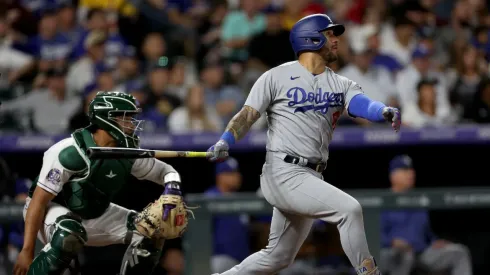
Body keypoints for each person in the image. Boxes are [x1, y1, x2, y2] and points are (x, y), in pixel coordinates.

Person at [207, 14, 401, 275]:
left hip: (311, 175)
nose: (335, 40)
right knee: (349, 209)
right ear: (311, 37)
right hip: (283, 170)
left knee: (277, 258)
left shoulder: (341, 83)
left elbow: (361, 104)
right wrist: (225, 139)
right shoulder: (276, 76)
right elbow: (247, 115)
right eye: (330, 34)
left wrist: (383, 111)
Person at [13, 91, 188, 275]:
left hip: (94, 212)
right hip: (52, 211)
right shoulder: (69, 152)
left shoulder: (126, 152)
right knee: (69, 234)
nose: (132, 124)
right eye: (125, 118)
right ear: (107, 119)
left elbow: (166, 171)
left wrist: (172, 189)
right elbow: (38, 202)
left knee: (152, 230)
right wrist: (27, 250)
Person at [380, 155, 472, 275]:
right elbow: (374, 234)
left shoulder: (419, 200)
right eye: (405, 170)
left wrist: (435, 241)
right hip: (394, 253)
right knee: (405, 256)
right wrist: (392, 242)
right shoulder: (383, 199)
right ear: (393, 175)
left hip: (422, 253)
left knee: (459, 252)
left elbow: (425, 233)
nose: (411, 174)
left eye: (411, 171)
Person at [204, 157, 249, 274]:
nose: (237, 176)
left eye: (237, 172)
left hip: (241, 261)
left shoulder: (239, 200)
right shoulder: (209, 197)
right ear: (220, 176)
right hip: (218, 259)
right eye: (231, 173)